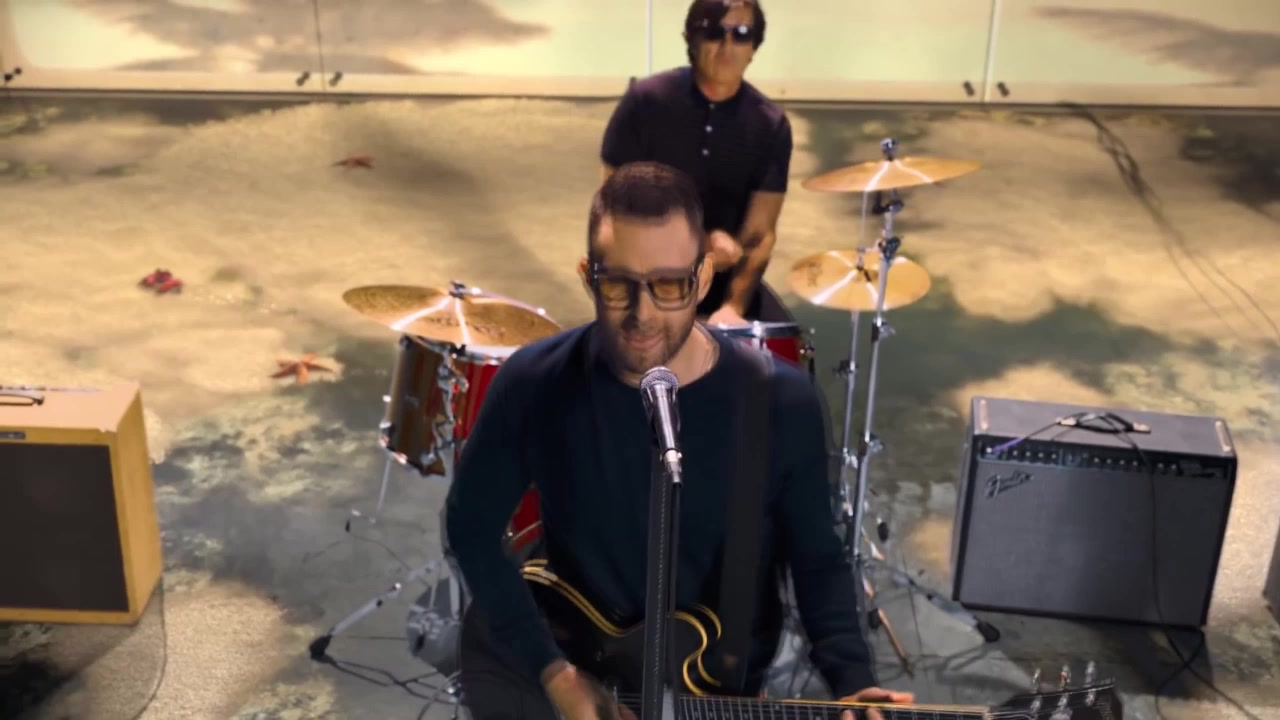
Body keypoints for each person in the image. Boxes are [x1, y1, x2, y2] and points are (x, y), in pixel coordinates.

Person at [445, 162, 912, 720]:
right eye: (617, 285)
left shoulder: (778, 403)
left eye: (669, 285)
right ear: (588, 276)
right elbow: (470, 527)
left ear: (704, 277)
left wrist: (853, 680)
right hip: (570, 674)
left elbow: (816, 558)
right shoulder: (534, 382)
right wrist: (553, 673)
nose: (642, 315)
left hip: (715, 693)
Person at [600, 0, 791, 328]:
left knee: (785, 351)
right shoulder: (645, 103)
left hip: (725, 287)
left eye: (741, 33)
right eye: (714, 32)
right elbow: (613, 212)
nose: (727, 45)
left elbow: (759, 235)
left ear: (754, 47)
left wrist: (733, 308)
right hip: (643, 279)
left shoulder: (770, 125)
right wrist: (696, 246)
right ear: (692, 38)